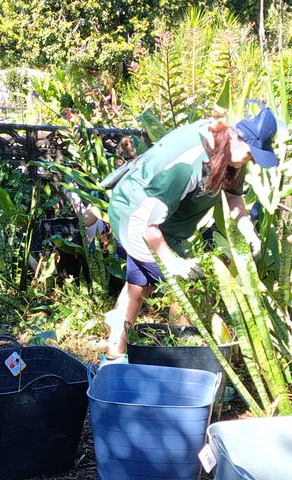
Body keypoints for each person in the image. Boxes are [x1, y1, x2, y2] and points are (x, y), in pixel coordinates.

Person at [103, 105, 279, 360]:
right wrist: (174, 263)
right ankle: (183, 358)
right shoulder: (188, 163)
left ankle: (114, 353)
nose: (251, 160)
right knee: (185, 291)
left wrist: (248, 231)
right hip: (135, 213)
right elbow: (148, 225)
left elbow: (233, 198)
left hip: (168, 224)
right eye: (251, 153)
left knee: (140, 286)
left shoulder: (232, 155)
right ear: (236, 136)